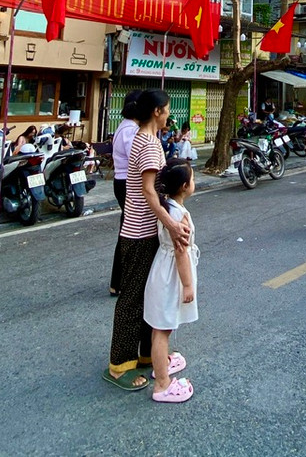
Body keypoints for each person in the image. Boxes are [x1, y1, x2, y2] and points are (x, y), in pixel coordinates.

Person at [104, 90, 190, 392]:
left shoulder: (140, 136)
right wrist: (172, 224)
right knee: (132, 300)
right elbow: (150, 192)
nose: (168, 114)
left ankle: (144, 355)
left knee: (145, 296)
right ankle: (119, 365)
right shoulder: (150, 144)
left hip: (139, 230)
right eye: (166, 109)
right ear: (156, 112)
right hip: (140, 233)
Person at [143, 160, 199, 403]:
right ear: (185, 186)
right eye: (193, 179)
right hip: (171, 274)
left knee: (161, 324)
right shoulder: (178, 216)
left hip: (161, 269)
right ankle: (162, 384)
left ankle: (163, 362)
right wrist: (187, 284)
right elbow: (180, 252)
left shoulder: (167, 208)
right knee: (162, 329)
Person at [109, 91, 143, 297]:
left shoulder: (126, 127)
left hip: (123, 182)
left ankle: (120, 280)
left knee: (128, 230)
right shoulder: (130, 130)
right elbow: (137, 159)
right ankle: (120, 281)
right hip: (127, 183)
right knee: (130, 232)